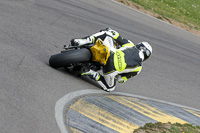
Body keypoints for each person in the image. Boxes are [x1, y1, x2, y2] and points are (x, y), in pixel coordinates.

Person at [71, 28, 152, 92]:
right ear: (146, 57)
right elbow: (121, 79)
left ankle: (82, 41)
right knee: (110, 88)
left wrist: (108, 30)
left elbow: (115, 35)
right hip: (111, 69)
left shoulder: (130, 44)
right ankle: (90, 72)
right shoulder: (138, 68)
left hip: (110, 53)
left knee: (106, 34)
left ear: (138, 45)